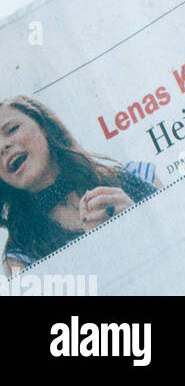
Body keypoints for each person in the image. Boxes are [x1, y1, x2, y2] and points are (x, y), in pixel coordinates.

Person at [0, 96, 158, 276]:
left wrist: (140, 218)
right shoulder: (20, 258)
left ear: (42, 126)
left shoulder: (138, 175)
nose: (3, 146)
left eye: (12, 129)